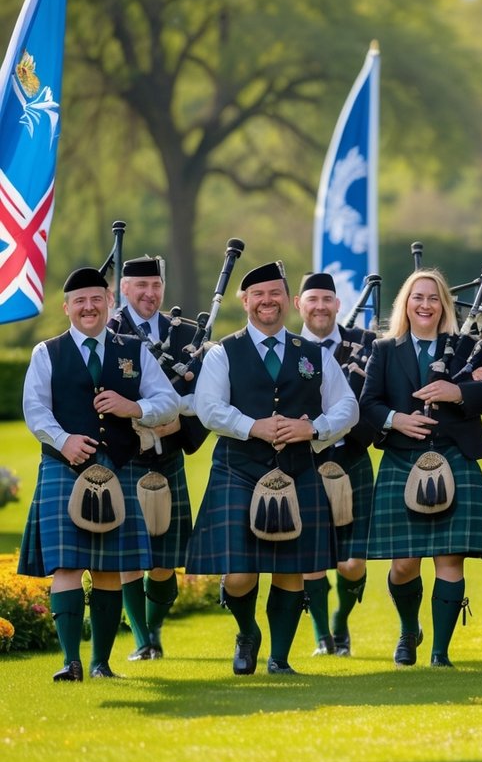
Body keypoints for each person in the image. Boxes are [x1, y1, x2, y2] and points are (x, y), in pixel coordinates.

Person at [185, 261, 359, 675]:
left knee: (291, 570)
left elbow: (347, 407)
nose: (268, 301)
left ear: (287, 299)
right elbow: (208, 409)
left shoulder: (313, 354)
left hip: (298, 468)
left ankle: (279, 659)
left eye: (275, 293)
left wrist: (313, 428)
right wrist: (253, 427)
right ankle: (247, 631)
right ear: (244, 301)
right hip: (238, 469)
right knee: (239, 573)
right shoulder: (222, 353)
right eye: (258, 294)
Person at [19, 266, 177, 681]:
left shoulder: (134, 349)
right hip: (63, 466)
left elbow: (168, 400)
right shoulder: (46, 352)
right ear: (66, 307)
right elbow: (35, 410)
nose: (88, 307)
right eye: (80, 301)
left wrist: (134, 408)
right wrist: (63, 439)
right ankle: (71, 662)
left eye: (96, 299)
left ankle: (101, 663)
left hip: (118, 468)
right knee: (67, 565)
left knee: (109, 567)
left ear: (110, 301)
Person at [360, 268, 482, 668]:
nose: (425, 305)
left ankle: (441, 651)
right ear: (406, 303)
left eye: (433, 298)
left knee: (449, 558)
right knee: (404, 563)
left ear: (444, 304)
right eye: (418, 297)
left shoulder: (465, 347)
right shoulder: (386, 349)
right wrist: (395, 420)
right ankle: (408, 630)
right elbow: (368, 402)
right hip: (403, 456)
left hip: (455, 454)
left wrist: (457, 391)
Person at [108, 255, 208, 661]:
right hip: (126, 455)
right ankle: (143, 642)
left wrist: (177, 427)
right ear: (125, 289)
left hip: (169, 458)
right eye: (141, 286)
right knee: (130, 555)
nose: (150, 294)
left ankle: (154, 626)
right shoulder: (107, 331)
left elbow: (206, 397)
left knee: (166, 563)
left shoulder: (186, 334)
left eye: (156, 286)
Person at [293, 272, 377, 656]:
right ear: (299, 304)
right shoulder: (288, 348)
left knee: (351, 564)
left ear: (338, 304)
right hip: (303, 458)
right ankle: (323, 637)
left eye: (327, 300)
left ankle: (341, 620)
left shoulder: (367, 345)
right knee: (311, 555)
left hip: (351, 457)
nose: (321, 307)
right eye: (313, 300)